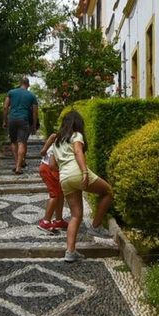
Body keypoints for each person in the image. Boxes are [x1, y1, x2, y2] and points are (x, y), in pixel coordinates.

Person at [48, 109, 114, 262]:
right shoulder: (76, 135)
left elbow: (52, 165)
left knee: (76, 215)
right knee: (108, 191)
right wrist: (84, 172)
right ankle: (96, 226)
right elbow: (78, 152)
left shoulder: (57, 141)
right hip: (77, 172)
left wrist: (65, 169)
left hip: (64, 178)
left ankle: (70, 252)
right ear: (77, 123)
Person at [3, 78, 39, 174]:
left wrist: (4, 121)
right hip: (24, 120)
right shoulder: (31, 95)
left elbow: (5, 107)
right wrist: (34, 126)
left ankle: (17, 164)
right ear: (28, 84)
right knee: (22, 142)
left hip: (12, 119)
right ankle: (19, 167)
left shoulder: (11, 92)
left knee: (14, 142)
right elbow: (35, 113)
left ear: (20, 83)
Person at [35, 130, 66, 233]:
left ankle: (58, 220)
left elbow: (43, 151)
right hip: (49, 168)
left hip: (48, 167)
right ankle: (46, 222)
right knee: (55, 195)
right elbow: (52, 164)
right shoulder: (64, 140)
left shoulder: (56, 137)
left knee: (60, 194)